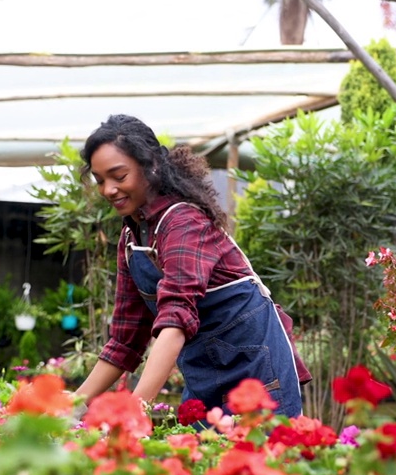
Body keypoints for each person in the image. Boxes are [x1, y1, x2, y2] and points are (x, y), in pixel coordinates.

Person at [74, 114, 310, 417]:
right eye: (100, 180)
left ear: (152, 167)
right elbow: (125, 339)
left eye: (118, 177)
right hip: (205, 375)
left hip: (258, 374)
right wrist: (73, 403)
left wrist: (134, 411)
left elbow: (175, 318)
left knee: (255, 460)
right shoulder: (132, 239)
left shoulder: (184, 222)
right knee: (202, 461)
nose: (108, 189)